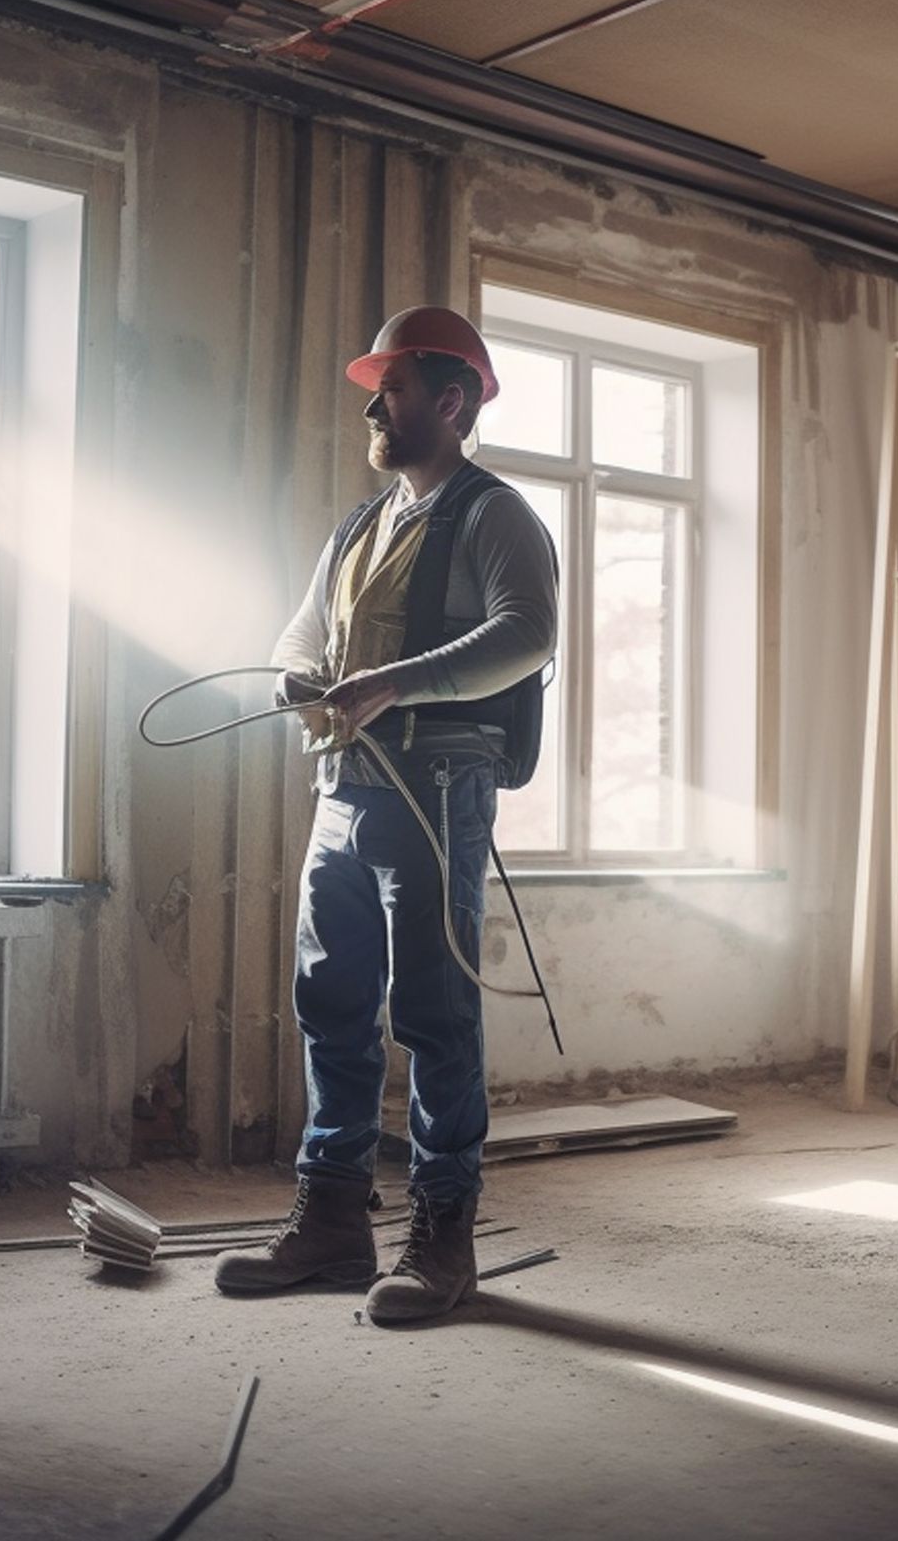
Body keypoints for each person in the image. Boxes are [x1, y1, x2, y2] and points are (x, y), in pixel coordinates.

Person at [213, 306, 558, 1325]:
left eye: (393, 388)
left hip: (438, 793)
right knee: (330, 1002)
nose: (373, 403)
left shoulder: (496, 517)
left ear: (448, 404)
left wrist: (390, 684)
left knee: (435, 1014)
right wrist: (296, 679)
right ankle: (330, 1222)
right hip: (345, 794)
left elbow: (527, 634)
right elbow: (300, 631)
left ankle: (443, 1241)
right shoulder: (361, 525)